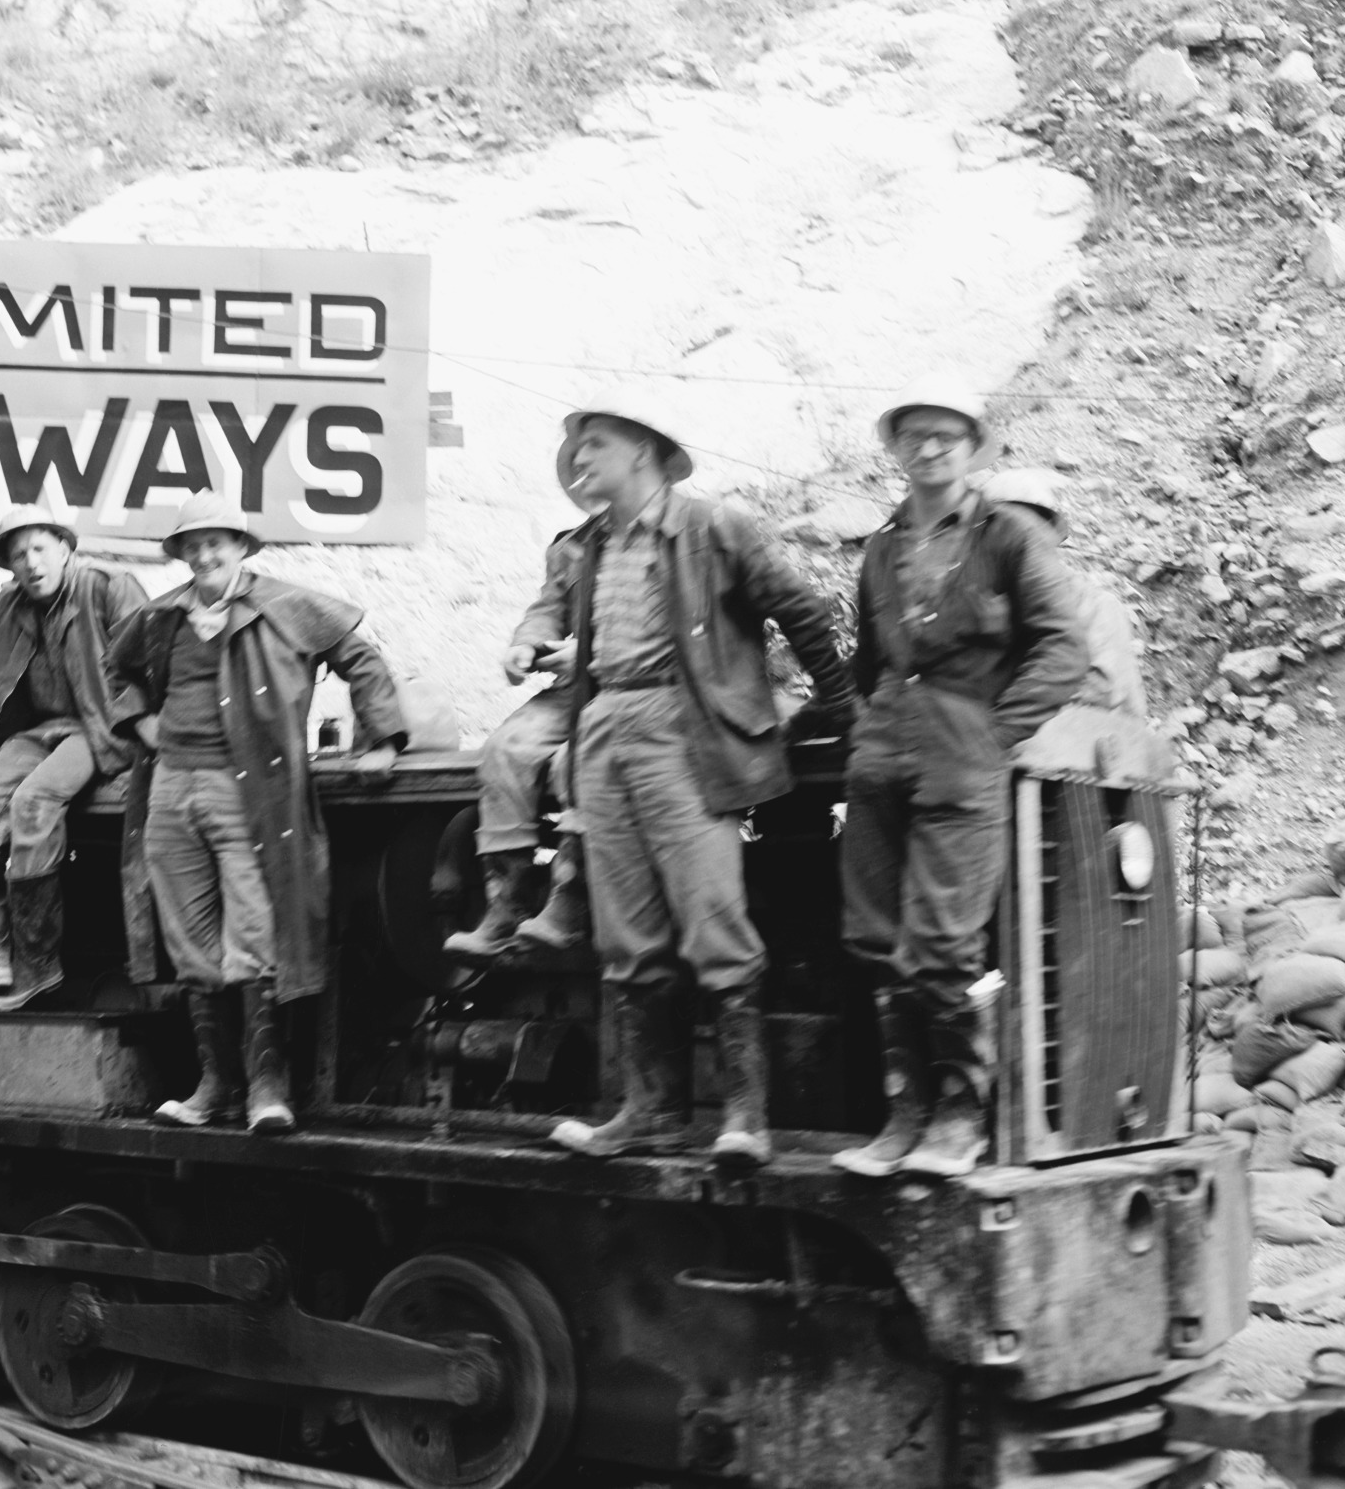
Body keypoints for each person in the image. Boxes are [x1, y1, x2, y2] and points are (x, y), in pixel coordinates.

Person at [535, 392, 858, 1168]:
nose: (580, 458)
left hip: (684, 730)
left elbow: (799, 607)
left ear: (644, 449)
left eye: (596, 443)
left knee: (714, 918)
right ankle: (649, 1110)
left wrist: (839, 703)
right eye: (577, 447)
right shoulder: (588, 545)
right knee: (626, 933)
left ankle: (745, 1116)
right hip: (605, 725)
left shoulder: (714, 527)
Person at [834, 375, 1087, 1181]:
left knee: (942, 946)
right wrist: (857, 723)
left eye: (946, 435)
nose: (930, 448)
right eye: (914, 436)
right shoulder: (881, 546)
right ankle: (903, 1111)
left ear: (973, 449)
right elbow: (868, 665)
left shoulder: (1008, 535)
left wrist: (994, 735)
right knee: (874, 940)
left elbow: (1062, 650)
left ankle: (959, 1113)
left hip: (964, 760)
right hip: (881, 762)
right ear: (898, 451)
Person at [108, 491, 407, 1134]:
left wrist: (382, 740)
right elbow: (117, 673)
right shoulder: (161, 616)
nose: (205, 553)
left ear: (242, 547)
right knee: (190, 940)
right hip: (169, 790)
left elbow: (362, 659)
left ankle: (267, 1087)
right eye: (193, 544)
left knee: (254, 934)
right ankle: (214, 1084)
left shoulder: (285, 606)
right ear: (182, 554)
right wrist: (143, 721)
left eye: (218, 541)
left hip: (247, 792)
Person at [0, 503, 148, 1012]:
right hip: (38, 733)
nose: (31, 562)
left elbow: (151, 655)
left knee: (34, 803)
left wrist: (146, 725)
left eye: (40, 548)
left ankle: (37, 963)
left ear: (64, 548)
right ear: (10, 566)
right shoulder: (13, 603)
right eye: (19, 555)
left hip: (100, 728)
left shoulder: (109, 585)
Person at [443, 526, 590, 960]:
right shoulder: (571, 545)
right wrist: (525, 645)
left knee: (576, 761)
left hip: (638, 685)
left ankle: (572, 897)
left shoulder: (667, 536)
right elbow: (549, 605)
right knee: (506, 749)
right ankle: (509, 902)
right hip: (573, 689)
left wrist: (587, 651)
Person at [984, 467, 1148, 720]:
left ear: (1048, 540)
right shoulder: (975, 602)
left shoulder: (1095, 604)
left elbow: (1098, 691)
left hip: (1084, 744)